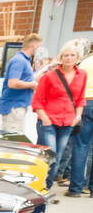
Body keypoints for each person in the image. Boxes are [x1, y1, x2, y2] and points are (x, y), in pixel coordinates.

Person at [33, 41, 86, 191]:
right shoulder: (49, 76)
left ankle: (45, 188)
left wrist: (78, 117)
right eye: (65, 55)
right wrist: (45, 119)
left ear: (77, 57)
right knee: (50, 156)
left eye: (72, 55)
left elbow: (80, 98)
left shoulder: (81, 75)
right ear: (61, 57)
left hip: (68, 122)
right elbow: (37, 100)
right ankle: (40, 188)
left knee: (58, 158)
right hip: (48, 121)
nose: (68, 58)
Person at [0, 33, 42, 136]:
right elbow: (12, 83)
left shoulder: (25, 61)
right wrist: (32, 85)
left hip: (19, 105)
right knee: (12, 139)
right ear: (34, 46)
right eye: (39, 46)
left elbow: (27, 79)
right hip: (14, 106)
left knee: (16, 136)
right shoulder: (19, 61)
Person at [66, 44, 93, 196]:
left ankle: (75, 188)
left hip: (87, 103)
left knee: (81, 146)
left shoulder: (86, 62)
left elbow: (76, 84)